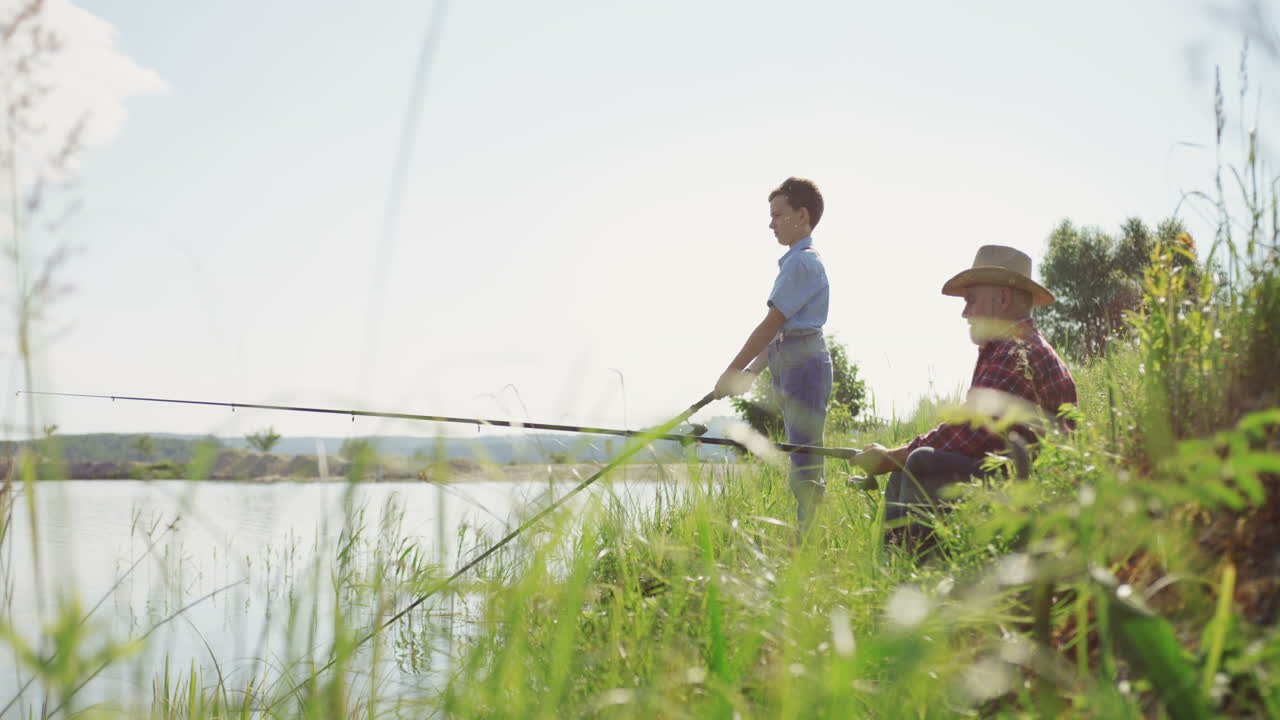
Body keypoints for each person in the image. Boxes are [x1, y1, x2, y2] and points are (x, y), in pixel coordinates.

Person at [855, 245, 1077, 548]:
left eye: (971, 301)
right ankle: (897, 567)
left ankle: (912, 572)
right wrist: (894, 459)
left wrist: (891, 456)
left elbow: (969, 433)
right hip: (1015, 481)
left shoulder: (1016, 351)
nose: (965, 313)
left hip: (1028, 493)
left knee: (918, 462)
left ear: (1002, 299)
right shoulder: (1009, 347)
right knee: (907, 467)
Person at [713, 177, 832, 539]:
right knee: (802, 457)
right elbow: (780, 333)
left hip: (805, 371)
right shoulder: (795, 263)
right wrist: (750, 372)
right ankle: (807, 540)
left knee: (805, 462)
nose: (771, 224)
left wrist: (730, 372)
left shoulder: (802, 264)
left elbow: (770, 325)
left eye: (777, 215)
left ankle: (808, 546)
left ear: (802, 215)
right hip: (793, 366)